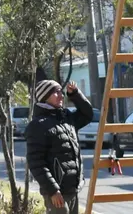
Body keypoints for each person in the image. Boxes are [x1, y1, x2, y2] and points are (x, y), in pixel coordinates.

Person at [25, 80, 93, 214]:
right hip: (56, 193)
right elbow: (36, 163)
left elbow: (88, 114)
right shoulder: (37, 125)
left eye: (61, 92)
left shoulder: (67, 118)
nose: (61, 96)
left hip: (72, 189)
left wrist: (75, 95)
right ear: (45, 96)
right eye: (56, 92)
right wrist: (53, 190)